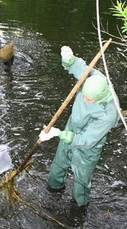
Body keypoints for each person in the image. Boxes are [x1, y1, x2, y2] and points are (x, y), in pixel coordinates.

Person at [39, 46, 120, 207]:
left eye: (89, 99)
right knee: (58, 165)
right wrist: (69, 59)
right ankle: (53, 189)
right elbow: (81, 68)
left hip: (88, 145)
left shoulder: (110, 113)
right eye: (84, 95)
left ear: (100, 97)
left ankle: (79, 208)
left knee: (81, 180)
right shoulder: (97, 78)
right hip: (71, 128)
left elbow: (86, 140)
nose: (85, 100)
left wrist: (58, 134)